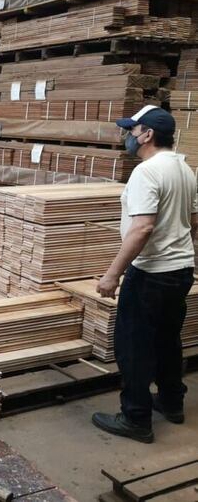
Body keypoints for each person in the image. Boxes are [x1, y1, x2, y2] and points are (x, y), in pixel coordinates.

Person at [92, 105, 197, 443]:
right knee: (167, 339)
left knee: (134, 345)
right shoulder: (184, 169)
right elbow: (193, 221)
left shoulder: (146, 172)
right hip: (180, 270)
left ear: (148, 135)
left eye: (132, 131)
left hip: (150, 273)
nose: (128, 136)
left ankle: (135, 418)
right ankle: (171, 402)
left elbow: (142, 228)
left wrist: (112, 275)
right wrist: (177, 247)